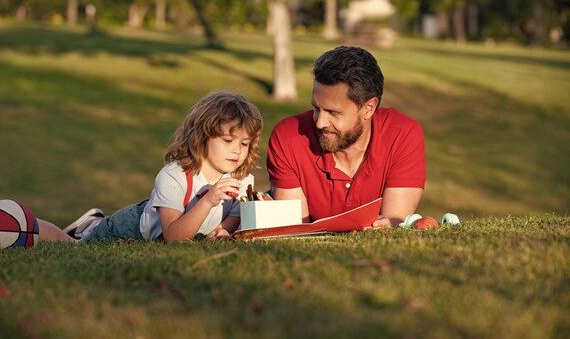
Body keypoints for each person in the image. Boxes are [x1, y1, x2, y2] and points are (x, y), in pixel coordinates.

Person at [37, 90, 264, 242]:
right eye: (227, 141)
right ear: (202, 136)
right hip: (130, 228)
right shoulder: (174, 175)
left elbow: (229, 222)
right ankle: (28, 224)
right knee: (71, 245)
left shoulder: (243, 180)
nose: (237, 150)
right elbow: (174, 237)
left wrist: (223, 230)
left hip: (171, 227)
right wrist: (208, 200)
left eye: (244, 143)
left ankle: (91, 224)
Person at [267, 46, 426, 229]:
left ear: (368, 108)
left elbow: (394, 224)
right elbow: (294, 230)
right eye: (317, 108)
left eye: (333, 112)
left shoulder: (402, 135)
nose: (319, 122)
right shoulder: (288, 138)